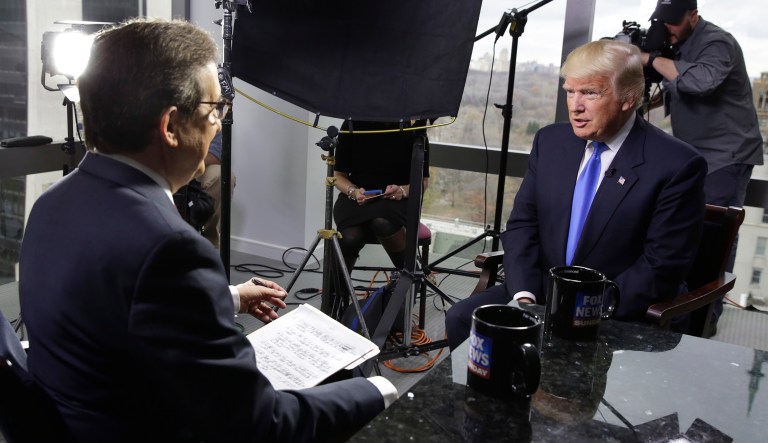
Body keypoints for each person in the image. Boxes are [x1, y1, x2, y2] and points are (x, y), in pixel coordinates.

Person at [18, 18, 395, 442]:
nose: (218, 123)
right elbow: (256, 426)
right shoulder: (168, 246)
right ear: (171, 126)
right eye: (215, 108)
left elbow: (114, 303)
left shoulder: (52, 204)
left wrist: (228, 296)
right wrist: (377, 392)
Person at [445, 39, 707, 351]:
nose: (575, 105)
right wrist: (524, 296)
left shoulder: (677, 165)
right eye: (570, 91)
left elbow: (661, 268)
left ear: (629, 97)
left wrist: (577, 310)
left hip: (615, 308)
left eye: (590, 93)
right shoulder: (551, 142)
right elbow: (522, 226)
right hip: (540, 294)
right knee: (462, 317)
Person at [642, 0, 764, 330]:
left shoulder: (716, 42)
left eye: (673, 21)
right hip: (696, 154)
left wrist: (652, 59)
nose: (666, 27)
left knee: (715, 233)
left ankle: (705, 320)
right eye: (661, 20)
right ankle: (681, 308)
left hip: (726, 154)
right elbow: (676, 86)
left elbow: (699, 82)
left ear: (693, 16)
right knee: (686, 227)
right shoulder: (678, 45)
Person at [332, 120, 430, 273]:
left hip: (397, 200)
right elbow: (338, 175)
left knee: (382, 222)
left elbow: (423, 181)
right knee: (350, 237)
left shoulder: (415, 129)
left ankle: (411, 273)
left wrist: (403, 190)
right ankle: (338, 293)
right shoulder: (352, 124)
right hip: (357, 198)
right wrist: (353, 191)